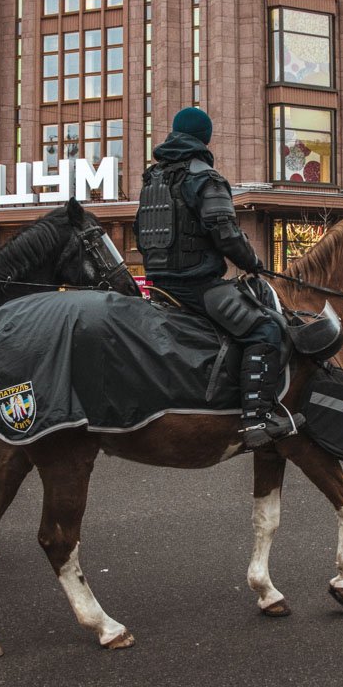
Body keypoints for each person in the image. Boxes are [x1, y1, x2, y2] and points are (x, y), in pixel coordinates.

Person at [136, 107, 299, 450]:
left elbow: (140, 234)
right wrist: (253, 262)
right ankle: (257, 419)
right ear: (204, 138)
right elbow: (225, 233)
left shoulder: (153, 179)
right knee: (267, 329)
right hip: (197, 287)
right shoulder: (204, 178)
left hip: (158, 286)